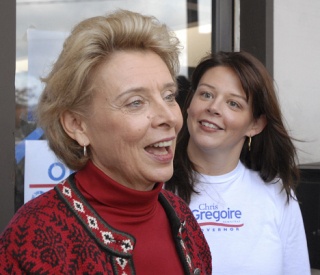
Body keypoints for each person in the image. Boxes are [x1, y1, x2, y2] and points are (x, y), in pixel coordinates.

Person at [0, 10, 211, 275]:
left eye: (169, 96)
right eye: (135, 102)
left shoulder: (182, 218)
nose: (169, 116)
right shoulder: (34, 237)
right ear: (78, 125)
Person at [166, 51, 310, 275]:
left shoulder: (277, 193)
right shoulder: (156, 186)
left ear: (255, 125)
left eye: (233, 103)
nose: (214, 107)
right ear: (189, 104)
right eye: (206, 94)